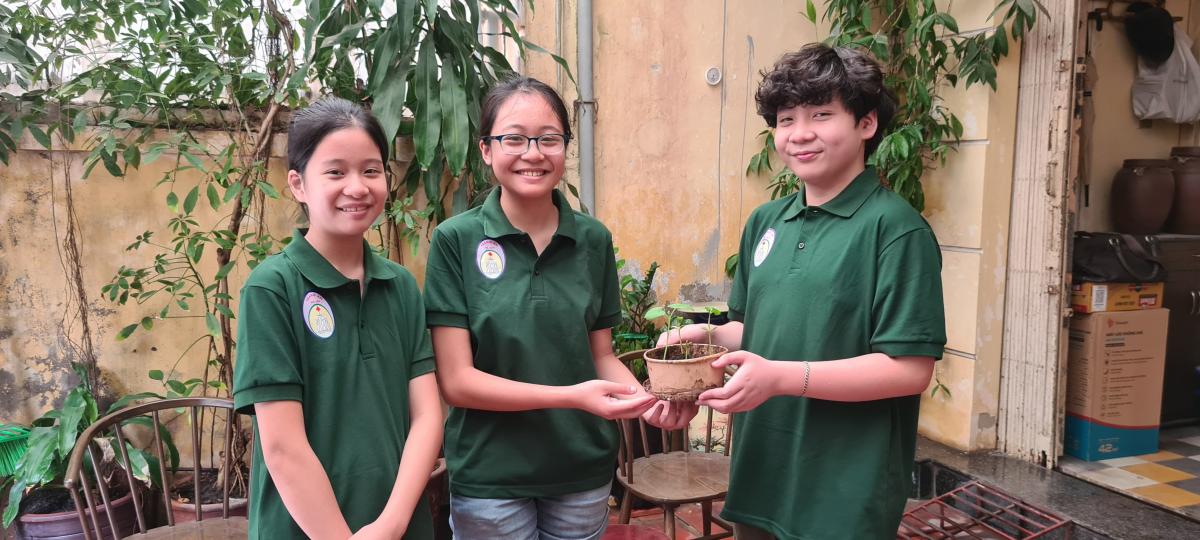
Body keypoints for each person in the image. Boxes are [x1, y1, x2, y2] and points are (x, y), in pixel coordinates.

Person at [663, 44, 947, 539]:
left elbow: (909, 370)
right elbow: (756, 329)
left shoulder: (896, 230)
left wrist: (779, 378)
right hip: (759, 473)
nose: (800, 134)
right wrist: (704, 343)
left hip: (842, 488)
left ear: (866, 124)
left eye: (821, 114)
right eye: (786, 118)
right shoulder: (765, 222)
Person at [423, 76, 697, 540]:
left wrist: (648, 404)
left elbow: (602, 356)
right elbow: (457, 382)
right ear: (486, 149)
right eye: (514, 138)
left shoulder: (592, 239)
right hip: (491, 476)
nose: (533, 153)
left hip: (580, 470)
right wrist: (571, 397)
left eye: (549, 139)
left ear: (565, 148)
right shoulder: (456, 241)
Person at [233, 97, 442, 539]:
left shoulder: (400, 286)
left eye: (371, 170)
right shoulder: (272, 288)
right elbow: (282, 446)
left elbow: (426, 417)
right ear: (298, 183)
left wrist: (392, 524)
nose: (358, 187)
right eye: (335, 171)